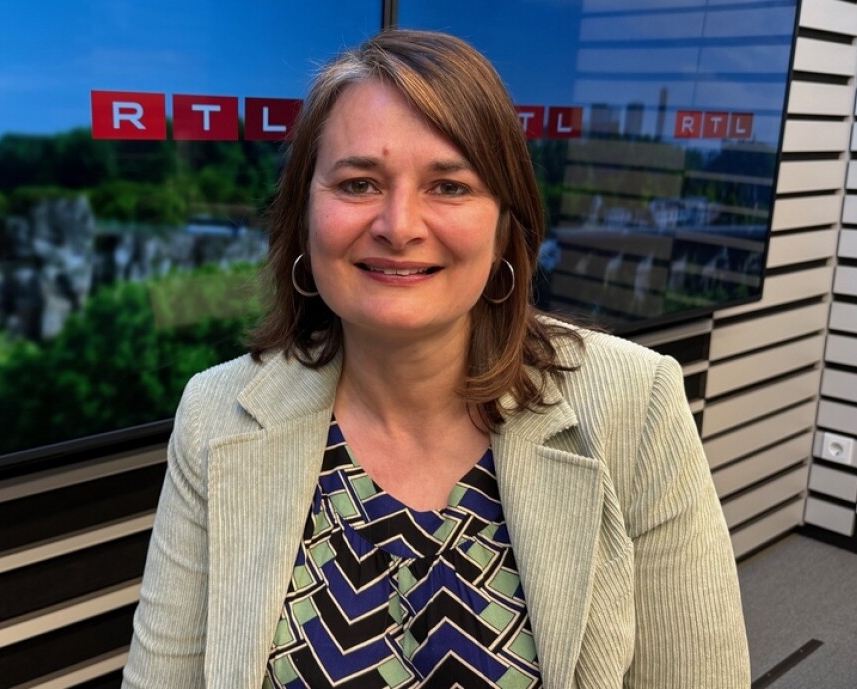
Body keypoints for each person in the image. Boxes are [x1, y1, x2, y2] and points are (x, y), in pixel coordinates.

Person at [123, 29, 748, 689]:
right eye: (358, 183)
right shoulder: (215, 414)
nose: (399, 226)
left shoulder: (637, 404)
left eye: (449, 186)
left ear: (504, 226)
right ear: (304, 214)